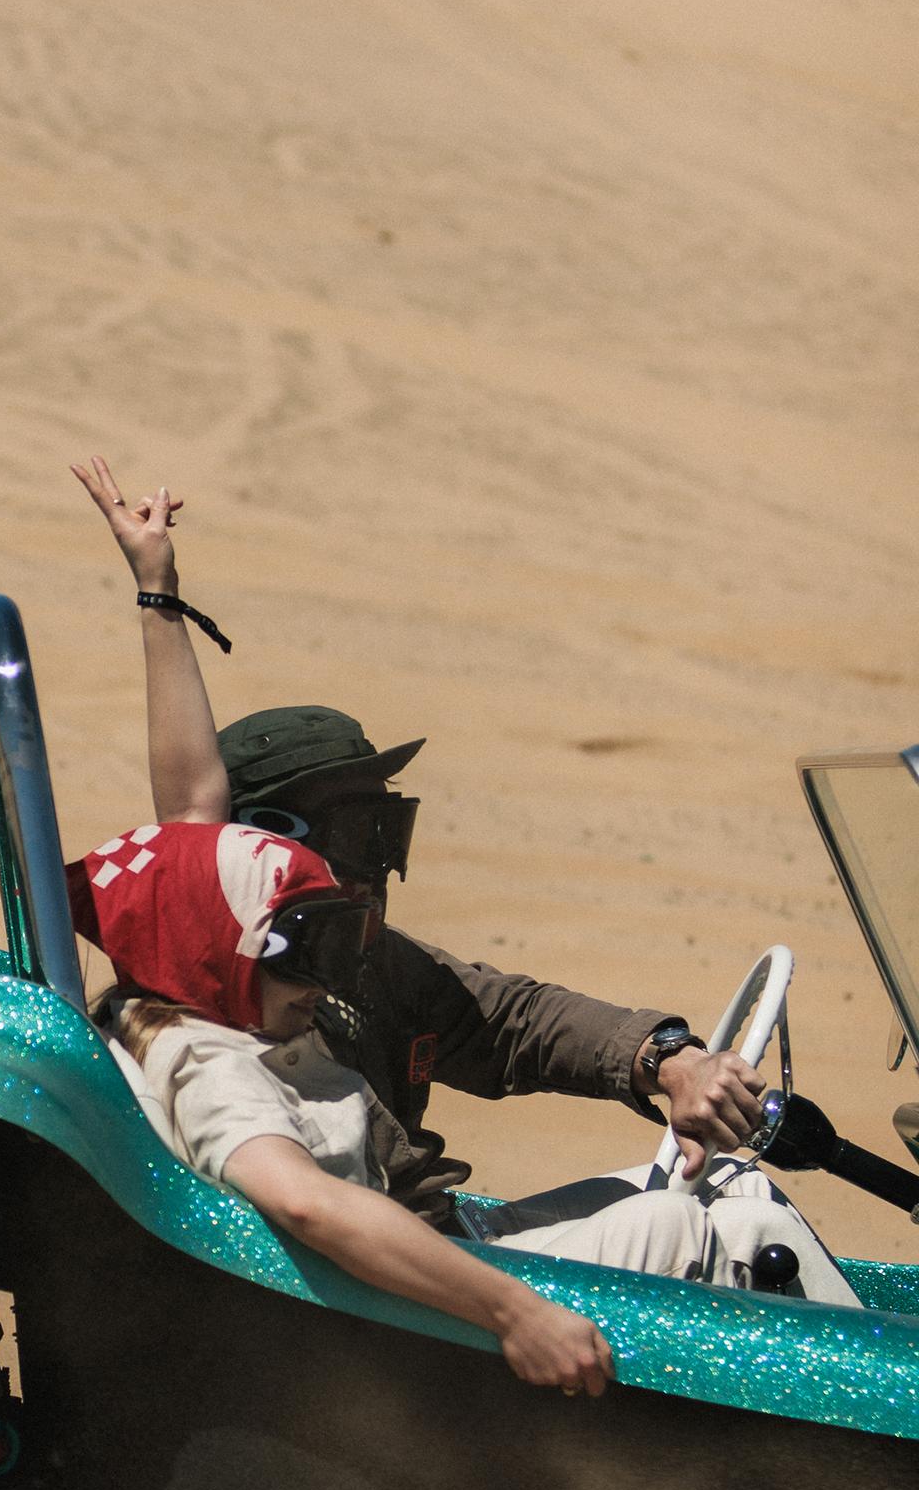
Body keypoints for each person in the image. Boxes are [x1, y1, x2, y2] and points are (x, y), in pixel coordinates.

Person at [65, 455, 857, 1395]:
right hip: (397, 1341)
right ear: (255, 869)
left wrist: (666, 1058)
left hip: (426, 1270)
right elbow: (308, 1204)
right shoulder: (222, 1037)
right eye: (362, 831)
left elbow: (507, 1016)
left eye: (388, 828)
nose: (373, 876)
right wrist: (516, 1310)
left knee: (714, 1196)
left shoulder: (244, 962)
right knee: (730, 1221)